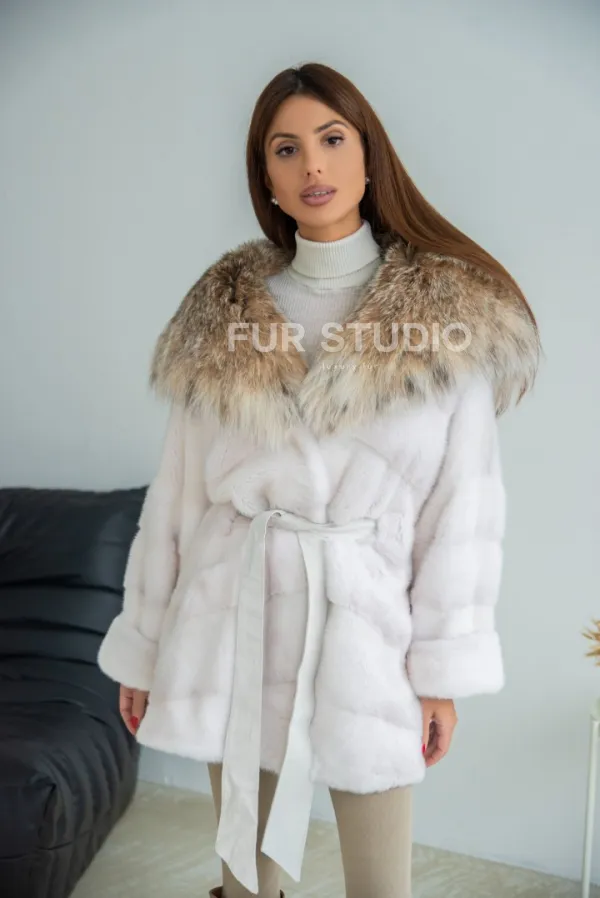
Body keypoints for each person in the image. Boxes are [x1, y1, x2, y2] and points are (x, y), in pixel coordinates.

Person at [97, 62, 541, 898]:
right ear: (264, 175)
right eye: (285, 148)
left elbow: (463, 510)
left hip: (368, 636)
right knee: (245, 882)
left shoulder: (446, 317)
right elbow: (178, 497)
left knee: (380, 884)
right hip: (235, 624)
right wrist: (144, 647)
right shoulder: (221, 315)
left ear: (369, 156)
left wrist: (441, 674)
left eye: (332, 139)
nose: (312, 165)